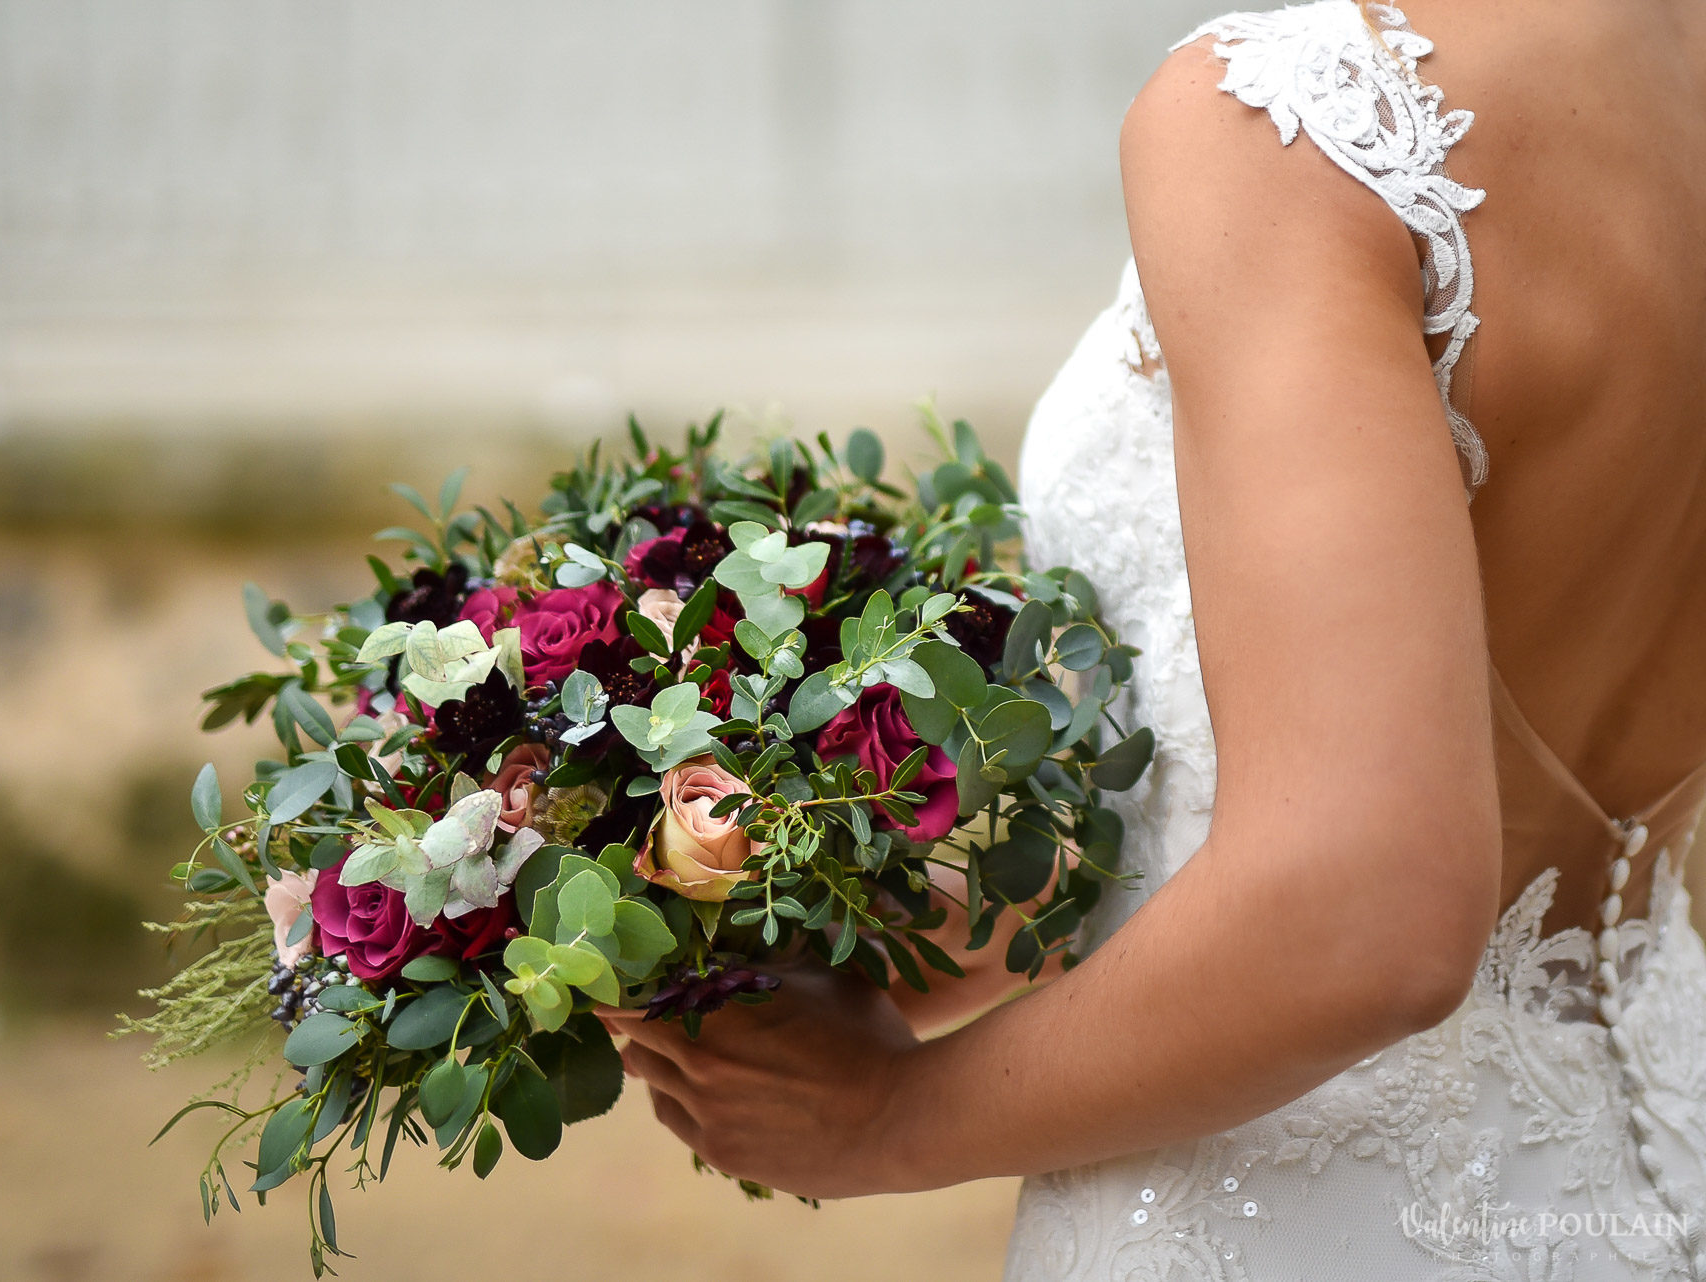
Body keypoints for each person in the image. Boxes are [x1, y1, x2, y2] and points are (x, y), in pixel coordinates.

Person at [605, 1, 1706, 1275]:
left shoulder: (1287, 125)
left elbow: (1369, 913)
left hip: (1314, 1206)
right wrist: (850, 903)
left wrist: (888, 1120)